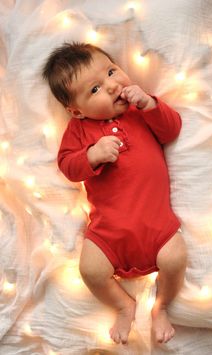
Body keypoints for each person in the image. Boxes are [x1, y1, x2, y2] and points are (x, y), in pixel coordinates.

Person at [42, 42, 187, 346]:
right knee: (90, 270)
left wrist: (149, 104)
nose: (111, 86)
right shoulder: (78, 131)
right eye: (94, 90)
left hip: (157, 225)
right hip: (108, 233)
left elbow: (171, 129)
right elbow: (68, 165)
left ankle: (161, 306)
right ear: (76, 111)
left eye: (111, 71)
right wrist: (92, 155)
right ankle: (123, 305)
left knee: (175, 259)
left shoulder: (140, 110)